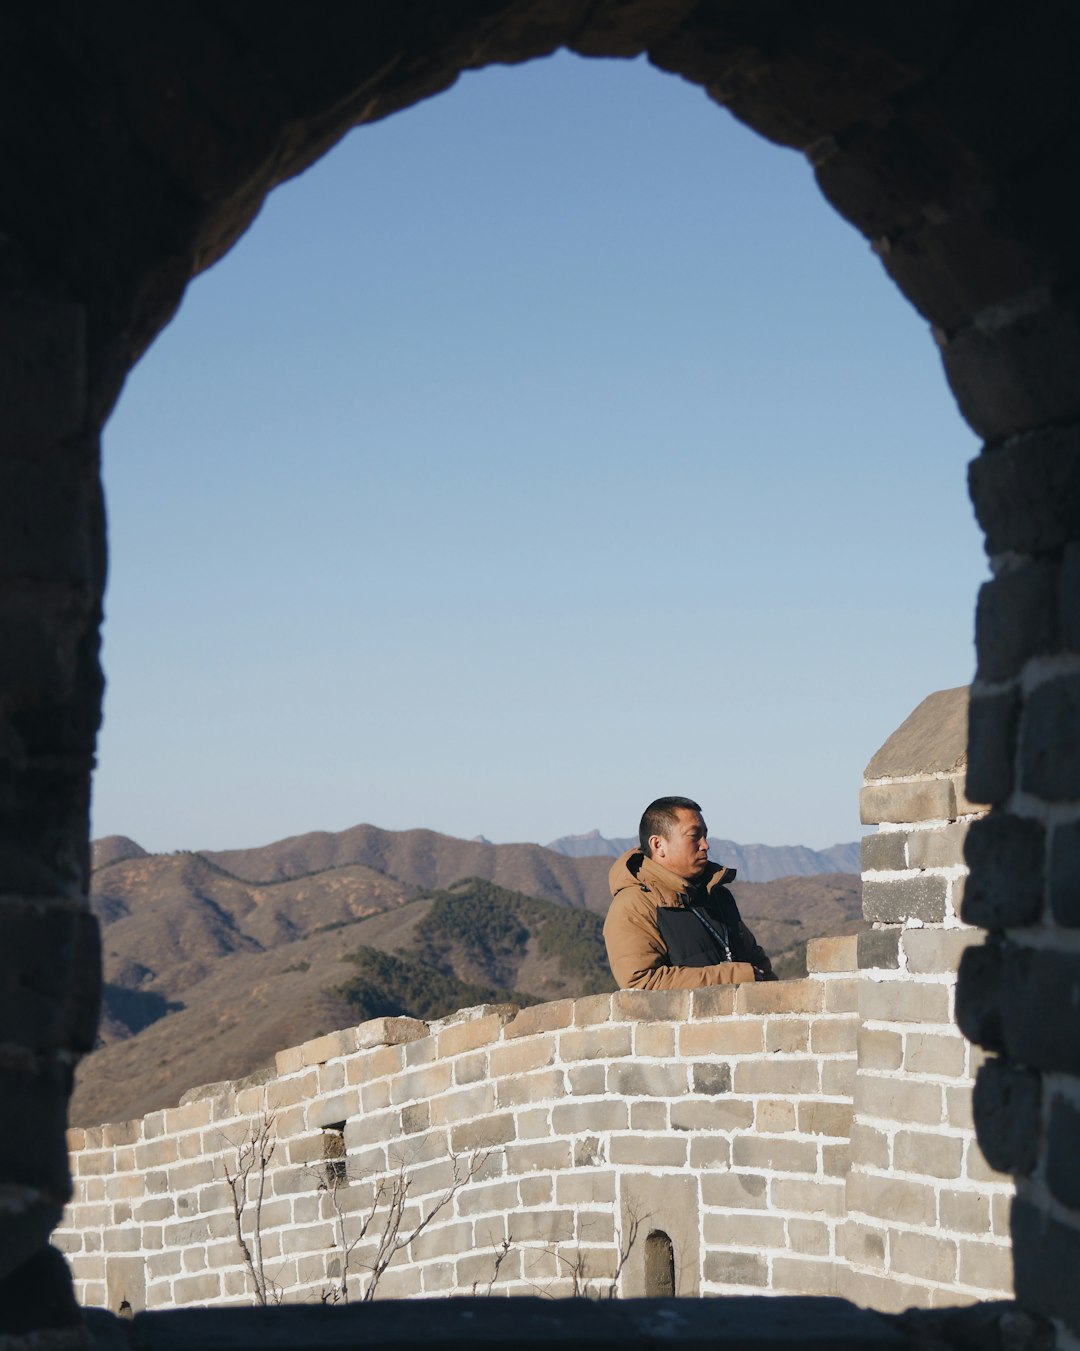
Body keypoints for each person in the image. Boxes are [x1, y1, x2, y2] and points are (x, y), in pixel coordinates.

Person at [604, 796, 776, 989]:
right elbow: (642, 984)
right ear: (658, 845)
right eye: (694, 836)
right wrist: (733, 977)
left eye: (705, 835)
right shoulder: (634, 906)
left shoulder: (718, 896)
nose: (705, 845)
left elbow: (758, 964)